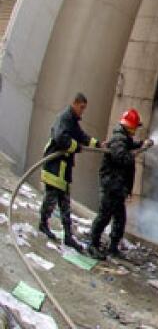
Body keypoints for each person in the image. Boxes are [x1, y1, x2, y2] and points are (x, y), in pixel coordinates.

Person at [39, 93, 102, 251]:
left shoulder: (72, 121)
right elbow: (61, 138)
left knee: (65, 204)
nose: (83, 111)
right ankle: (43, 223)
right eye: (81, 107)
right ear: (74, 103)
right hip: (55, 166)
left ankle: (68, 235)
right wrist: (76, 147)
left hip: (63, 169)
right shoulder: (64, 118)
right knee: (51, 199)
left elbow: (81, 136)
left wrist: (97, 144)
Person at [88, 108, 153, 259]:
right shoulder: (118, 138)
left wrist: (142, 144)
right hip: (111, 186)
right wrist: (141, 150)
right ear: (129, 126)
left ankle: (113, 247)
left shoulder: (124, 138)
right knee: (104, 216)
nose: (136, 130)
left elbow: (129, 146)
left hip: (117, 188)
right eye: (135, 127)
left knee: (120, 218)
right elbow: (122, 158)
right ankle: (92, 245)